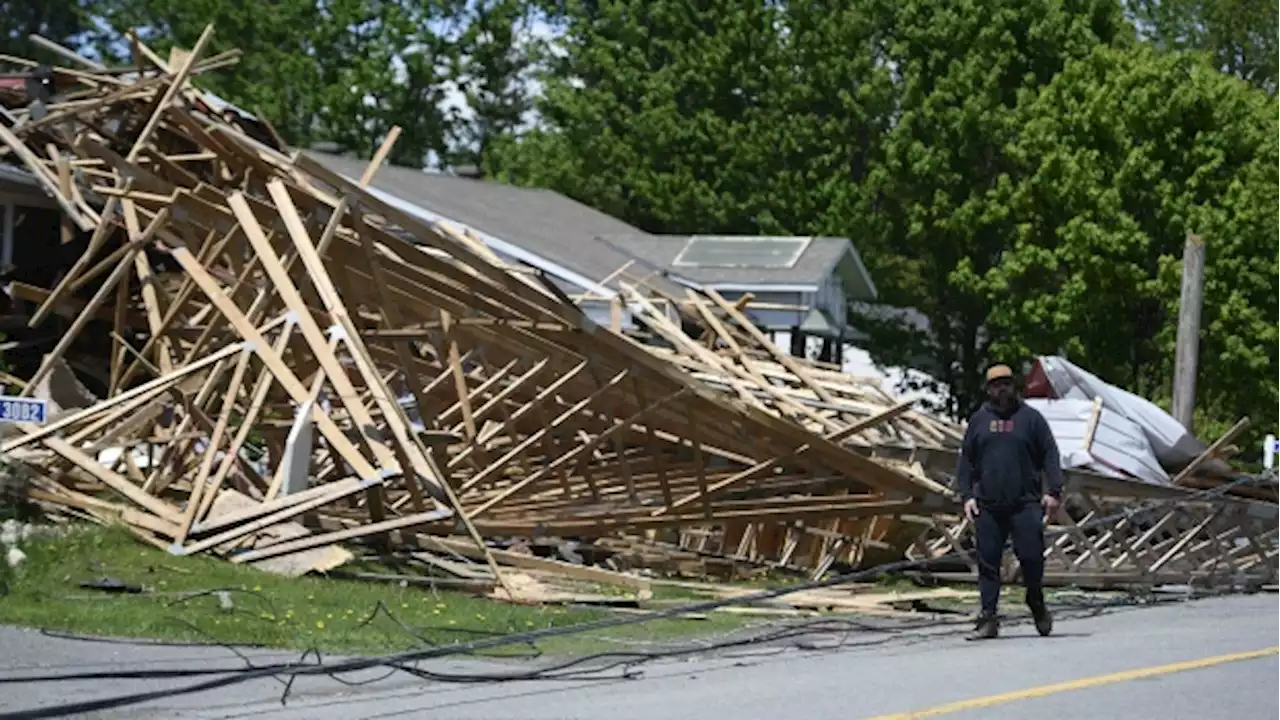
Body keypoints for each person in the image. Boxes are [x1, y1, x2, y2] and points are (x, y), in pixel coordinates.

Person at [955, 363, 1064, 640]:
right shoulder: (979, 420)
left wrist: (1054, 492)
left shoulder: (1031, 419)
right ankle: (988, 618)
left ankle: (1036, 601)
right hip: (988, 505)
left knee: (1030, 559)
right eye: (995, 384)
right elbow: (966, 461)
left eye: (1005, 383)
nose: (1001, 388)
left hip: (1025, 503)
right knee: (988, 563)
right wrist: (967, 496)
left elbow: (1050, 455)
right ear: (988, 389)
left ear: (1014, 386)